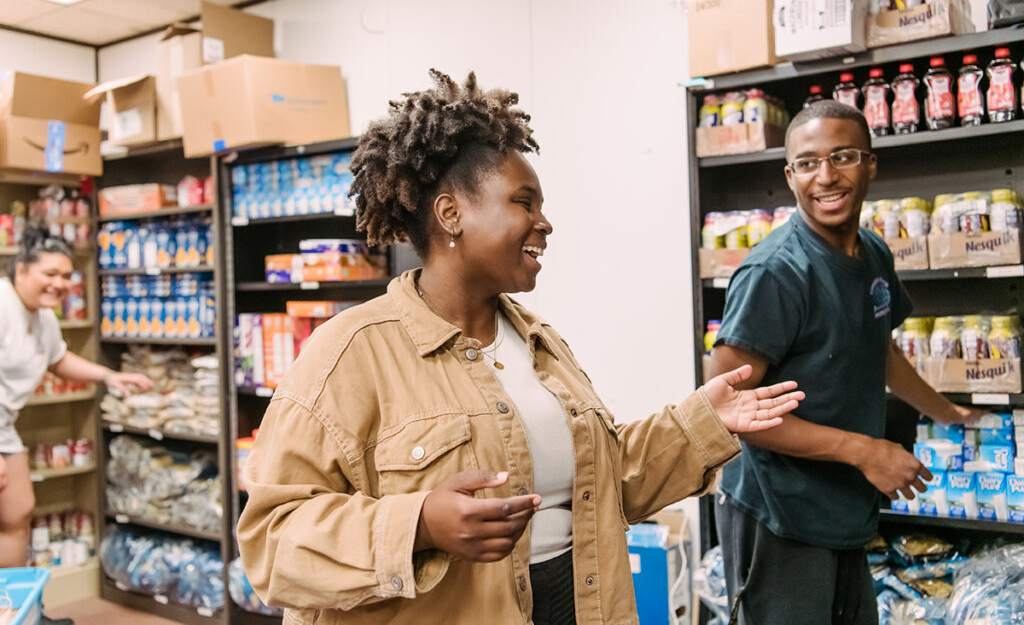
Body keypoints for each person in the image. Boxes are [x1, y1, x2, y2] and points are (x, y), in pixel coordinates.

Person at [237, 70, 804, 624]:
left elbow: (603, 486)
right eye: (524, 202)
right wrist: (419, 525)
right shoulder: (350, 353)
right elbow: (271, 542)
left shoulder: (539, 343)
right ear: (451, 213)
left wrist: (703, 421)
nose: (545, 223)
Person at [708, 100, 982, 625]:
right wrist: (863, 451)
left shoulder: (873, 253)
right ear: (789, 176)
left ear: (871, 163)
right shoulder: (775, 272)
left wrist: (952, 414)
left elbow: (877, 348)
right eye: (808, 163)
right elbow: (726, 406)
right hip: (780, 510)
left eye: (844, 156)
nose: (826, 176)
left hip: (843, 505)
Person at [0, 226, 153, 625]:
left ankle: (17, 611)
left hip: (4, 427)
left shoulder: (43, 318)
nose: (60, 283)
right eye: (50, 273)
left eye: (67, 275)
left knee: (18, 511)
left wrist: (108, 377)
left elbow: (58, 359)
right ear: (21, 271)